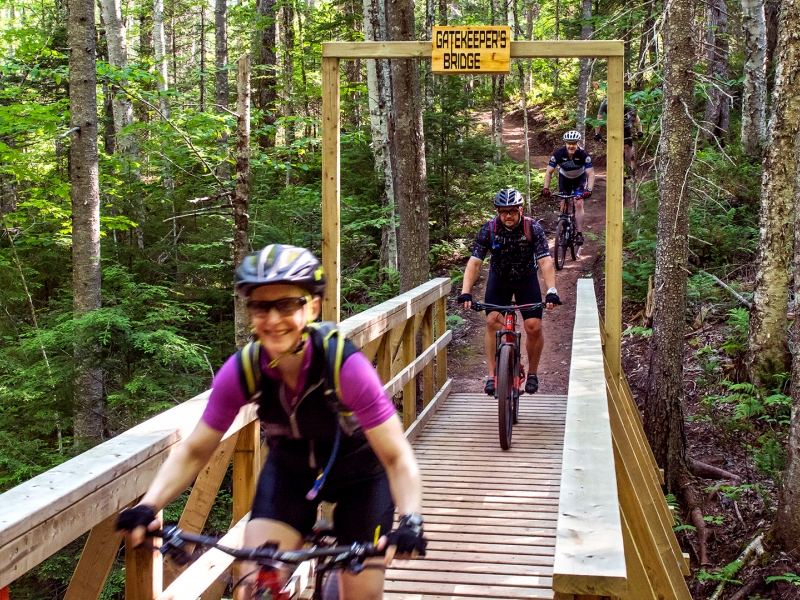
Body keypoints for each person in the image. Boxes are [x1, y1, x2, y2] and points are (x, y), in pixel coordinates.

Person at [116, 244, 426, 600]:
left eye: (287, 305)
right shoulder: (243, 370)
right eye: (261, 306)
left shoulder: (345, 366)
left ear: (312, 307)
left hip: (362, 479)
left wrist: (412, 521)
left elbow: (397, 457)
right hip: (290, 476)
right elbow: (195, 450)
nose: (273, 319)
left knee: (362, 594)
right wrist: (148, 506)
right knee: (254, 587)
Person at [456, 189, 561, 397]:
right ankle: (492, 375)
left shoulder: (533, 228)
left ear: (520, 209)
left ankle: (532, 373)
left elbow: (545, 261)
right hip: (499, 279)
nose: (508, 216)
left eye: (512, 211)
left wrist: (551, 291)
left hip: (526, 279)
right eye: (503, 212)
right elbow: (475, 262)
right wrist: (465, 292)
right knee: (492, 322)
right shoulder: (490, 229)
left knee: (533, 326)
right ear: (497, 212)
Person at [542, 130, 596, 246]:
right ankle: (561, 232)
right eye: (568, 143)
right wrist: (546, 188)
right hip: (564, 178)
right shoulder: (559, 153)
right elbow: (548, 172)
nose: (571, 145)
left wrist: (589, 190)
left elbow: (591, 174)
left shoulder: (583, 155)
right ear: (565, 143)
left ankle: (579, 233)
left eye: (574, 143)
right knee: (563, 202)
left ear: (578, 143)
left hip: (579, 178)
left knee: (578, 203)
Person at [594, 97, 643, 175]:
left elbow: (636, 117)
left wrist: (640, 131)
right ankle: (613, 167)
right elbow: (599, 118)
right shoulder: (605, 103)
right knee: (613, 146)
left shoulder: (624, 102)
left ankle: (629, 167)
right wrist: (596, 134)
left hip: (626, 126)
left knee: (627, 147)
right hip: (613, 127)